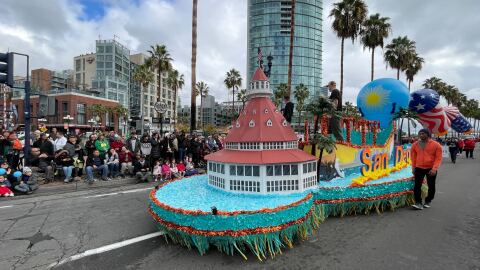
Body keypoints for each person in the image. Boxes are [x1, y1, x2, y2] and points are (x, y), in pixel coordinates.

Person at [411, 129, 443, 210]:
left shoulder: (436, 145)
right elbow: (413, 158)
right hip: (419, 167)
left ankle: (428, 200)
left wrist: (434, 169)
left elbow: (438, 158)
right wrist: (413, 168)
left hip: (431, 168)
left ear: (428, 134)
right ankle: (418, 202)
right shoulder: (415, 144)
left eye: (423, 134)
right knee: (417, 186)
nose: (421, 135)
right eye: (420, 134)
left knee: (431, 186)